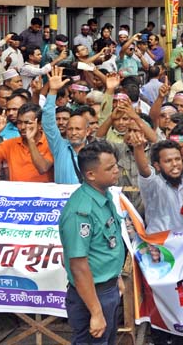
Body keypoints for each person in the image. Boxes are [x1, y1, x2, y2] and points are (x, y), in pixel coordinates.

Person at [59, 140, 125, 344]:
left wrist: (117, 277)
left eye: (115, 165)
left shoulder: (103, 196)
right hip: (91, 295)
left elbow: (107, 245)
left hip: (108, 288)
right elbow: (78, 266)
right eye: (110, 167)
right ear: (91, 175)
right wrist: (96, 312)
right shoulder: (81, 211)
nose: (116, 170)